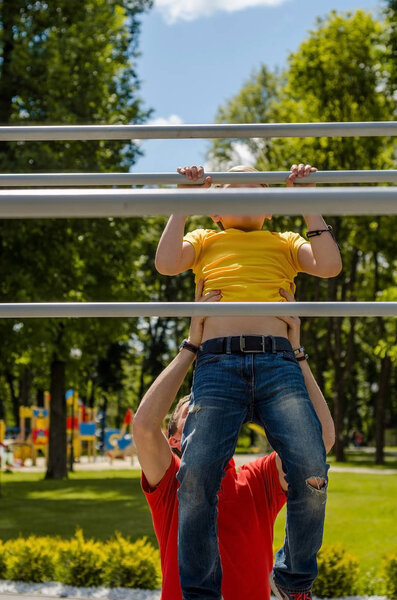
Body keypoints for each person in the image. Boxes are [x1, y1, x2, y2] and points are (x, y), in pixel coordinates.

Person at [154, 163, 342, 600]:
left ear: (273, 206)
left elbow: (329, 265)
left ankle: (292, 577)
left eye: (258, 184)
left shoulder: (284, 242)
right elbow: (166, 262)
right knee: (197, 474)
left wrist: (307, 200)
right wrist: (183, 198)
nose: (244, 189)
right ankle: (200, 590)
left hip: (278, 362)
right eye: (230, 184)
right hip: (217, 365)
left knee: (311, 467)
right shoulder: (205, 240)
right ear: (213, 209)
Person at [133, 282, 335, 600]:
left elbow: (320, 438)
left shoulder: (257, 480)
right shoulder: (172, 480)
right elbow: (144, 426)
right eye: (197, 409)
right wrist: (191, 347)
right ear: (175, 440)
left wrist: (295, 355)